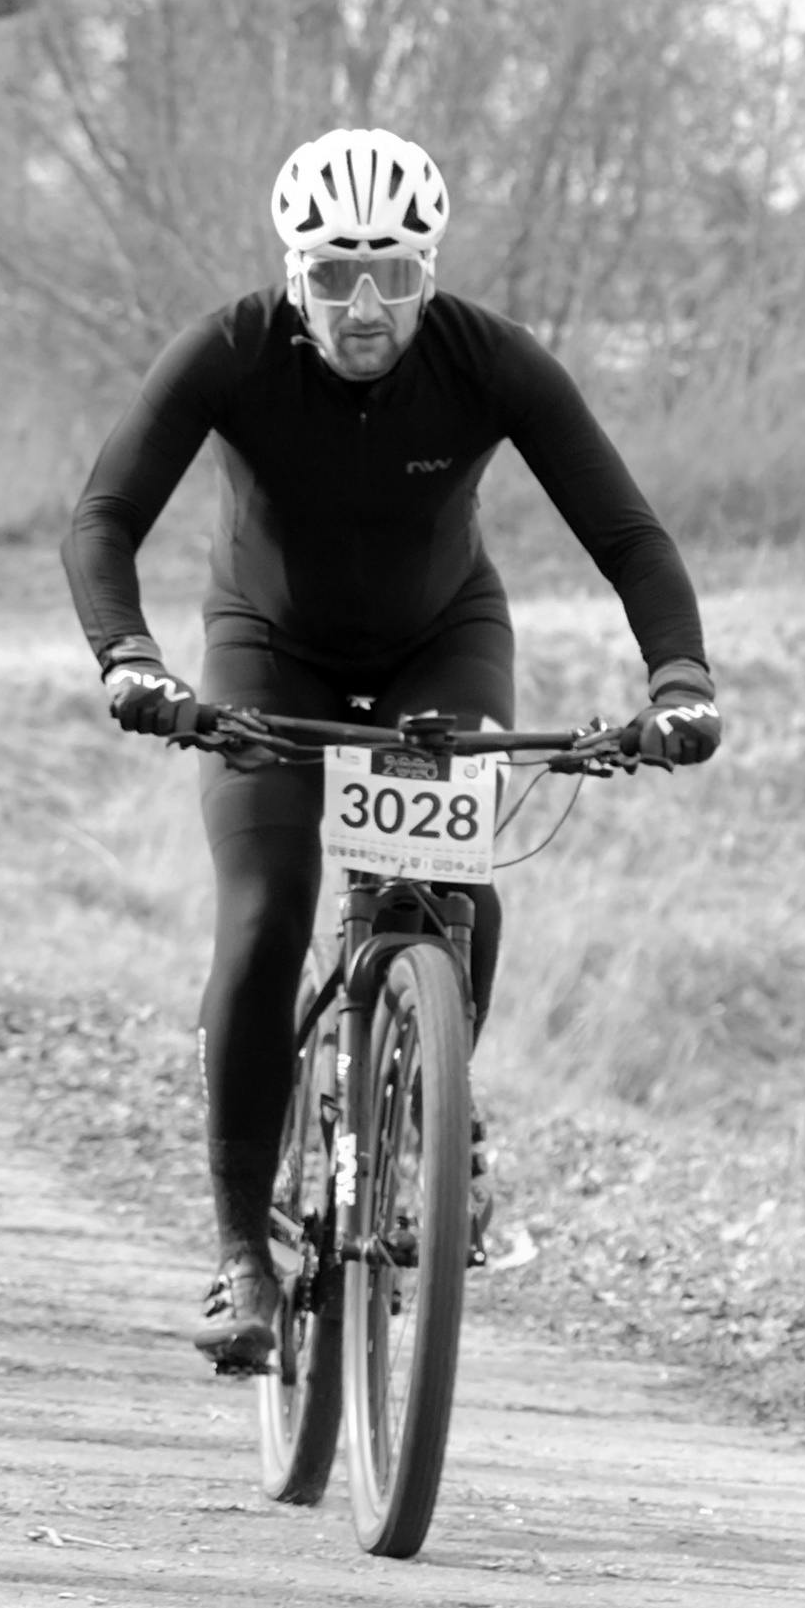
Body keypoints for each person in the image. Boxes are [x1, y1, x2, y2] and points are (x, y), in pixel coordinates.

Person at [63, 127, 722, 1372]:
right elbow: (104, 517)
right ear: (292, 270)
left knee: (450, 889)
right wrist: (133, 660)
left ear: (429, 269)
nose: (365, 307)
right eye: (333, 276)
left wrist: (678, 678)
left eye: (395, 277)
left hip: (439, 638)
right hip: (269, 646)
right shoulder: (230, 350)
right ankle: (243, 1256)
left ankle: (437, 1123)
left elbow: (629, 534)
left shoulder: (491, 361)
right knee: (265, 918)